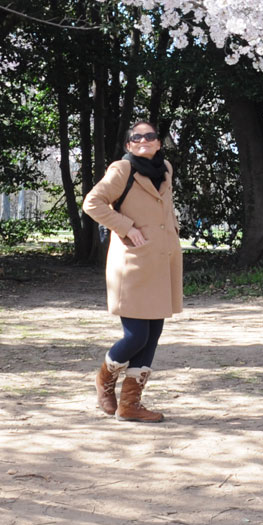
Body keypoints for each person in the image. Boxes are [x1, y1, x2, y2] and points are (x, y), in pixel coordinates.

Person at [82, 120, 183, 422]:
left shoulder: (165, 168)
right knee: (136, 335)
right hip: (134, 263)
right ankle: (104, 378)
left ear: (158, 143)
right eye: (136, 138)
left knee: (152, 334)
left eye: (149, 137)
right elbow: (92, 202)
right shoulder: (122, 170)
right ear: (128, 145)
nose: (143, 141)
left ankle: (130, 405)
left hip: (161, 261)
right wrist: (126, 227)